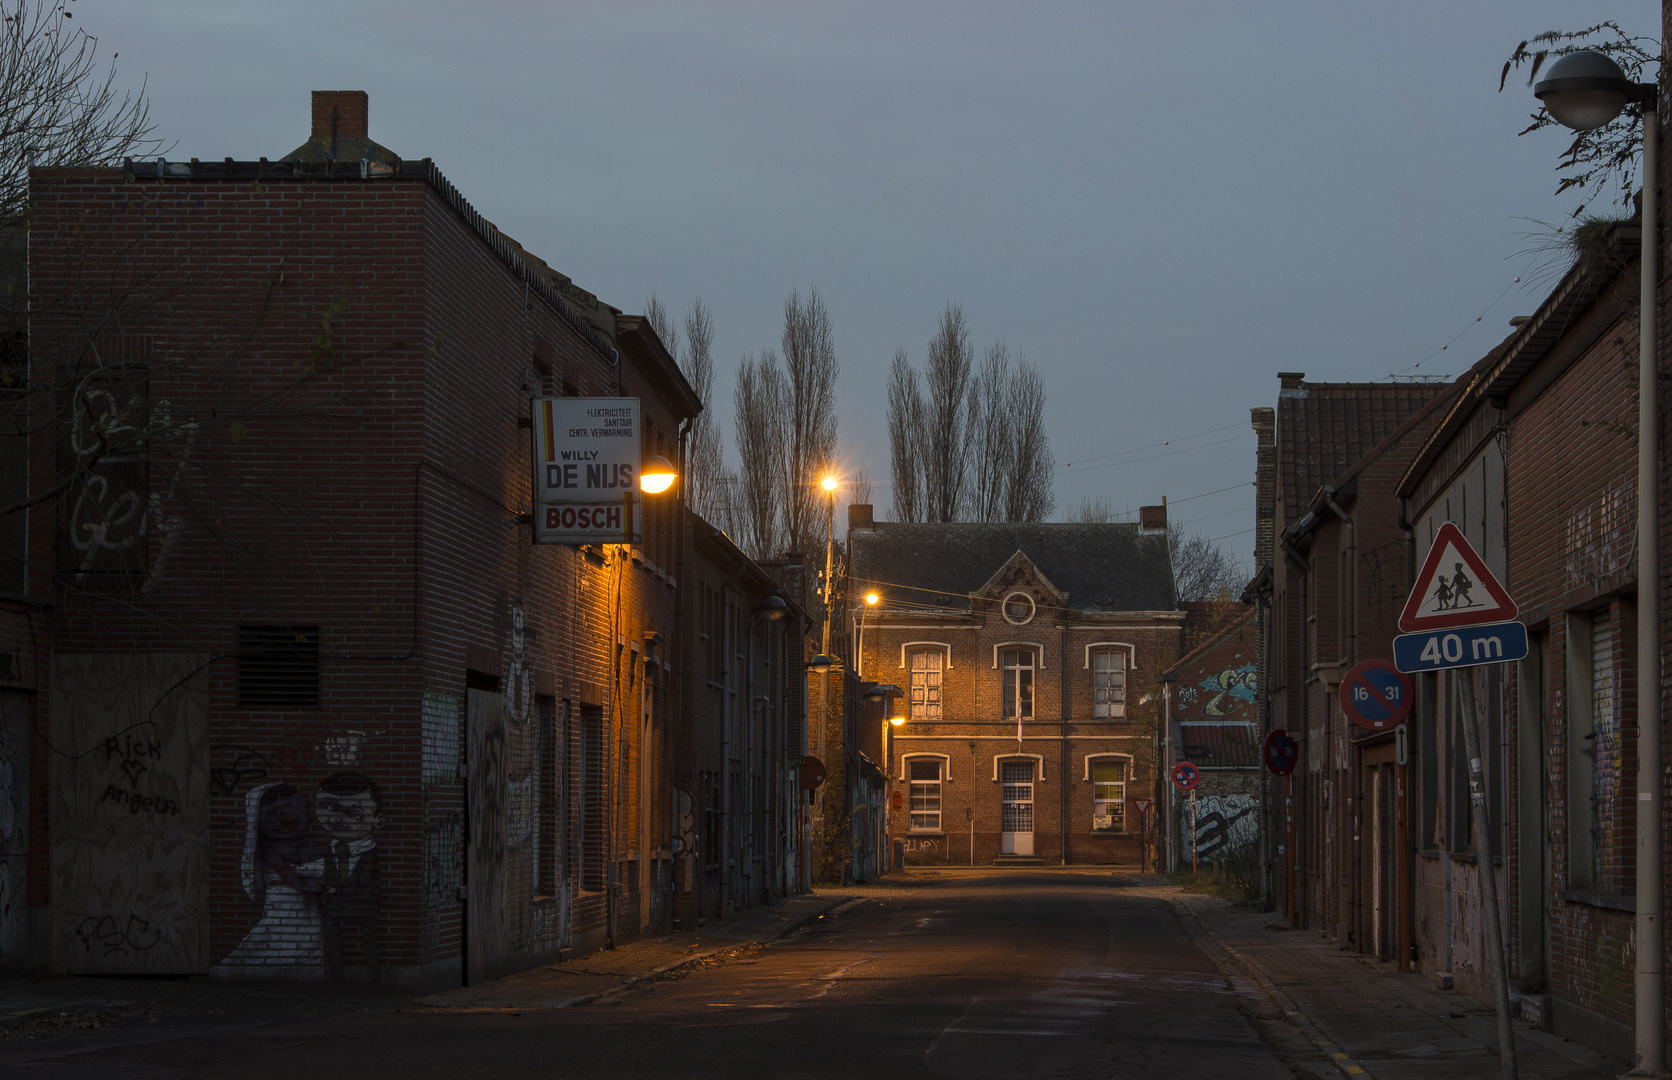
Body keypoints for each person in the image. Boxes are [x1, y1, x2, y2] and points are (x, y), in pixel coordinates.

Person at [214, 782, 324, 976]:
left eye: (288, 807)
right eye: (272, 812)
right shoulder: (272, 852)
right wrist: (320, 885)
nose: (283, 814)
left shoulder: (306, 849)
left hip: (308, 907)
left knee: (311, 936)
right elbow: (292, 877)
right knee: (278, 935)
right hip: (284, 904)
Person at [313, 773, 385, 981]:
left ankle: (374, 979)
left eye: (353, 814)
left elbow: (367, 882)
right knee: (334, 941)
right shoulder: (328, 852)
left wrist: (337, 890)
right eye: (327, 807)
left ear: (378, 821)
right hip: (334, 907)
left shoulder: (370, 855)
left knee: (369, 940)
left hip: (364, 906)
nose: (337, 819)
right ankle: (337, 978)